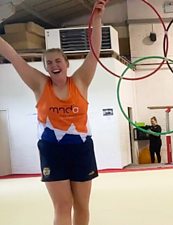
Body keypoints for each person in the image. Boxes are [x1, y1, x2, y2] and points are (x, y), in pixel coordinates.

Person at [0, 0, 108, 224]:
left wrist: (97, 16)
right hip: (52, 151)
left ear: (66, 63)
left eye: (58, 60)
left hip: (81, 150)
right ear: (45, 67)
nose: (53, 65)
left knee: (81, 206)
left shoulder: (80, 81)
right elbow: (13, 57)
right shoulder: (39, 84)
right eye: (48, 63)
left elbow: (94, 51)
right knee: (62, 206)